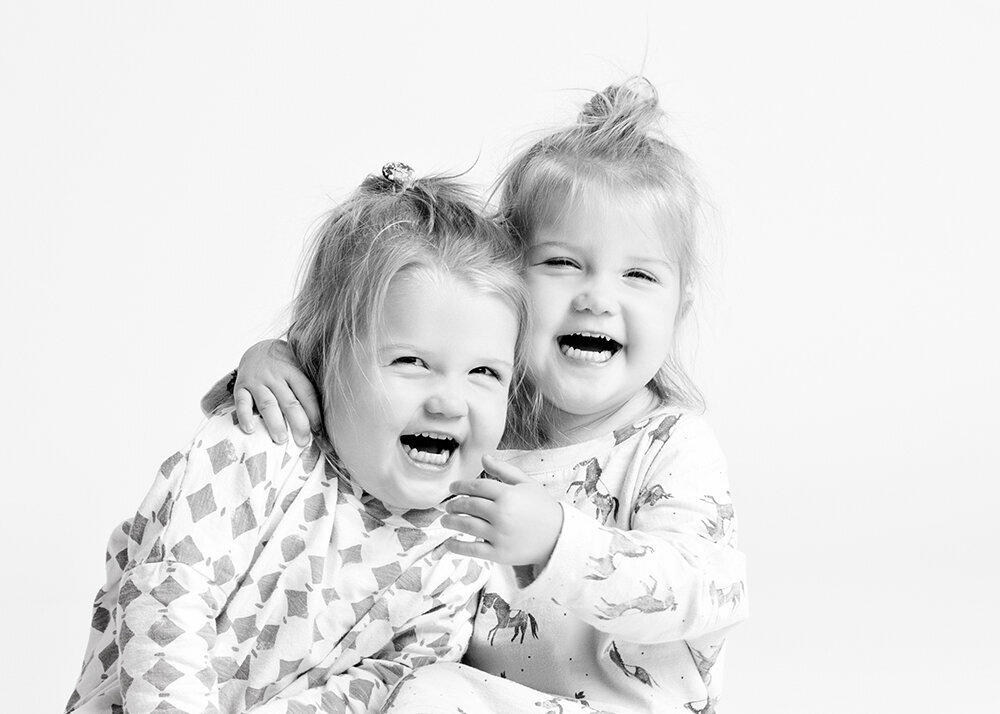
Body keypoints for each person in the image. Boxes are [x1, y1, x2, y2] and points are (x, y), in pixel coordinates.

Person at [210, 78, 747, 713]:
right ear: (503, 284)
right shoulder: (471, 415)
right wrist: (275, 359)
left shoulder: (670, 447)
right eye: (561, 263)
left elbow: (711, 590)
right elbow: (367, 389)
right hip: (466, 693)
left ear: (679, 306)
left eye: (638, 275)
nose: (598, 297)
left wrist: (558, 543)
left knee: (425, 697)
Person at [64, 165, 533, 714]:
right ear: (322, 357)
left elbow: (382, 685)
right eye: (411, 362)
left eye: (485, 373)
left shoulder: (459, 553)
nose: (450, 401)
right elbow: (169, 596)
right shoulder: (261, 445)